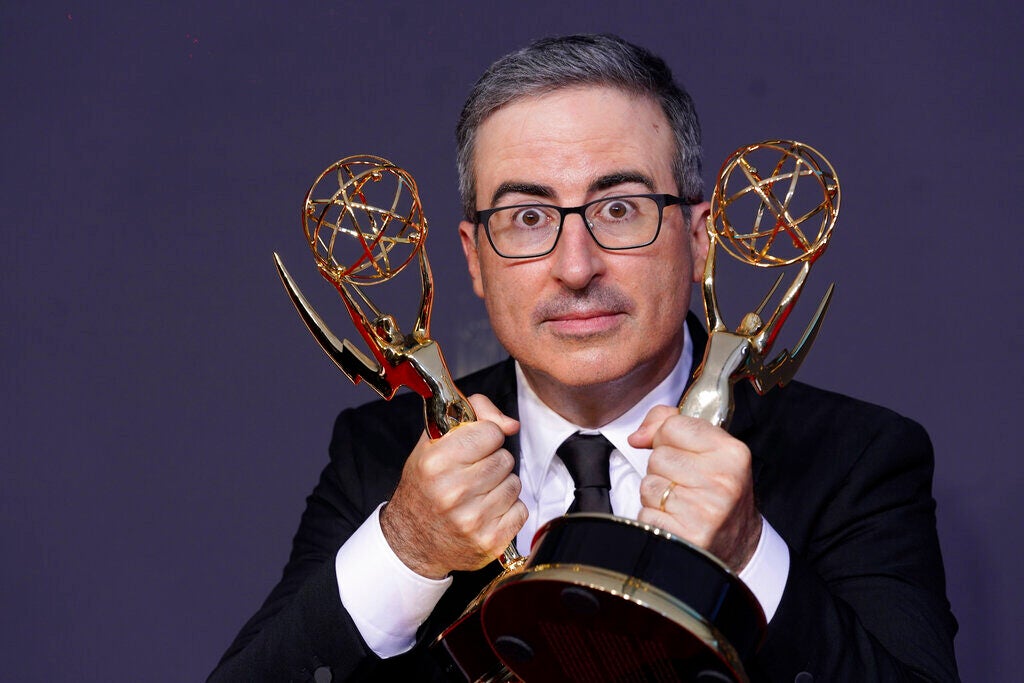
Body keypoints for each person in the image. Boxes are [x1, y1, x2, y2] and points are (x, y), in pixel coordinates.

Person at [210, 34, 959, 682]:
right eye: (527, 217)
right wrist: (405, 546)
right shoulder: (380, 458)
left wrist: (752, 555)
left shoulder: (855, 458)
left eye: (620, 208)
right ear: (474, 258)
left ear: (700, 236)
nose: (576, 266)